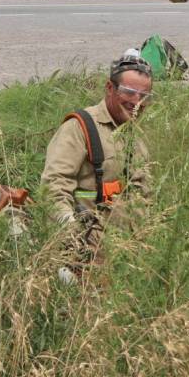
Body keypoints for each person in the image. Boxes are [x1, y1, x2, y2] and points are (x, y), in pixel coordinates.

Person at [40, 52, 153, 277]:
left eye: (144, 95)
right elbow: (53, 188)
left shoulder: (137, 137)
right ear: (110, 88)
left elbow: (145, 196)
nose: (136, 101)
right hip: (85, 258)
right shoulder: (79, 127)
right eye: (129, 92)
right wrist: (72, 245)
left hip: (127, 259)